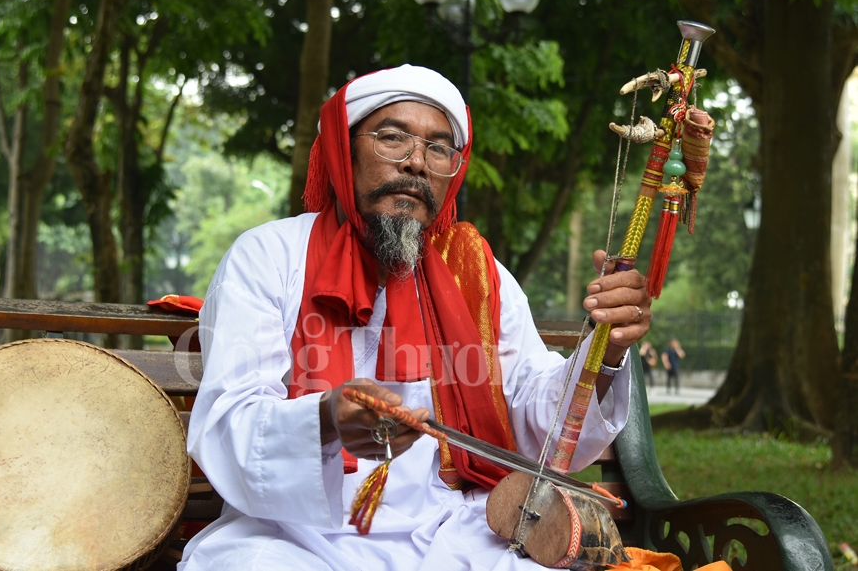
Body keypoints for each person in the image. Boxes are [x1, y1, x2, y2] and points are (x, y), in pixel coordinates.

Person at [179, 65, 653, 571]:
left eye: (438, 149)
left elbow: (539, 426)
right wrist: (325, 418)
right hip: (295, 536)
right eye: (391, 138)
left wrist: (607, 351)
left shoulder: (477, 272)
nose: (415, 164)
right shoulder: (269, 256)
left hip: (449, 531)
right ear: (345, 149)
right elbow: (229, 423)